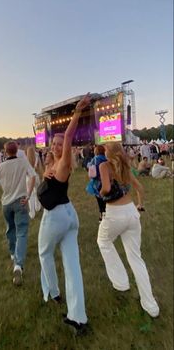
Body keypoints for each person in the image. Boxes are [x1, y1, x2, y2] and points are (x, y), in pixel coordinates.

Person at [37, 93, 90, 335]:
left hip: (57, 216)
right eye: (55, 144)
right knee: (72, 265)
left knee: (44, 252)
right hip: (69, 216)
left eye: (61, 144)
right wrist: (44, 174)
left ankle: (52, 292)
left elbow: (69, 135)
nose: (58, 146)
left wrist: (77, 112)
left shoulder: (64, 162)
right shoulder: (52, 166)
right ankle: (78, 318)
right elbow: (46, 183)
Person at [97, 142, 159, 318]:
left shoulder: (104, 165)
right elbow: (140, 188)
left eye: (106, 148)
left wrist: (100, 192)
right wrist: (140, 204)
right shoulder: (125, 166)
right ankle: (151, 305)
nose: (104, 150)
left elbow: (107, 188)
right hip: (131, 212)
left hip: (114, 213)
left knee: (103, 241)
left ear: (109, 152)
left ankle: (121, 281)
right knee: (136, 258)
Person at [0, 141, 36, 286]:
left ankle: (13, 254)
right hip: (20, 201)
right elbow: (33, 177)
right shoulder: (22, 162)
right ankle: (18, 264)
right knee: (21, 232)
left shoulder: (0, 167)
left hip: (6, 204)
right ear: (17, 150)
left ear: (5, 152)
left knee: (10, 228)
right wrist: (28, 195)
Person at [87, 145, 107, 222]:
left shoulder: (95, 159)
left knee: (99, 199)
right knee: (106, 198)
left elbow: (89, 166)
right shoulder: (106, 158)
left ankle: (101, 215)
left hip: (97, 182)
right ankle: (106, 214)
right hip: (105, 180)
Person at [26, 146, 42, 219]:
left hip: (29, 178)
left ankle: (32, 213)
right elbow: (39, 168)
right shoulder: (37, 157)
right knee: (37, 192)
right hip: (36, 176)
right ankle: (37, 207)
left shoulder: (25, 159)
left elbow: (25, 171)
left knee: (30, 195)